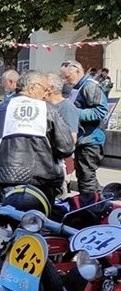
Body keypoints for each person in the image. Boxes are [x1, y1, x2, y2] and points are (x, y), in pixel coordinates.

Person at [0, 71, 74, 203]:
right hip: (42, 182)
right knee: (38, 221)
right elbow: (66, 148)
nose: (46, 95)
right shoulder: (47, 111)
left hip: (3, 181)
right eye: (45, 90)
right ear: (32, 88)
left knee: (4, 219)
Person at [60, 60, 109, 193]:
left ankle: (92, 208)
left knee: (87, 179)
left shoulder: (89, 86)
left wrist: (74, 113)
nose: (65, 81)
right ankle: (99, 202)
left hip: (91, 140)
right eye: (63, 77)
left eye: (67, 77)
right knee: (84, 176)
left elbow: (101, 111)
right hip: (83, 140)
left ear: (77, 71)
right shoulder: (77, 87)